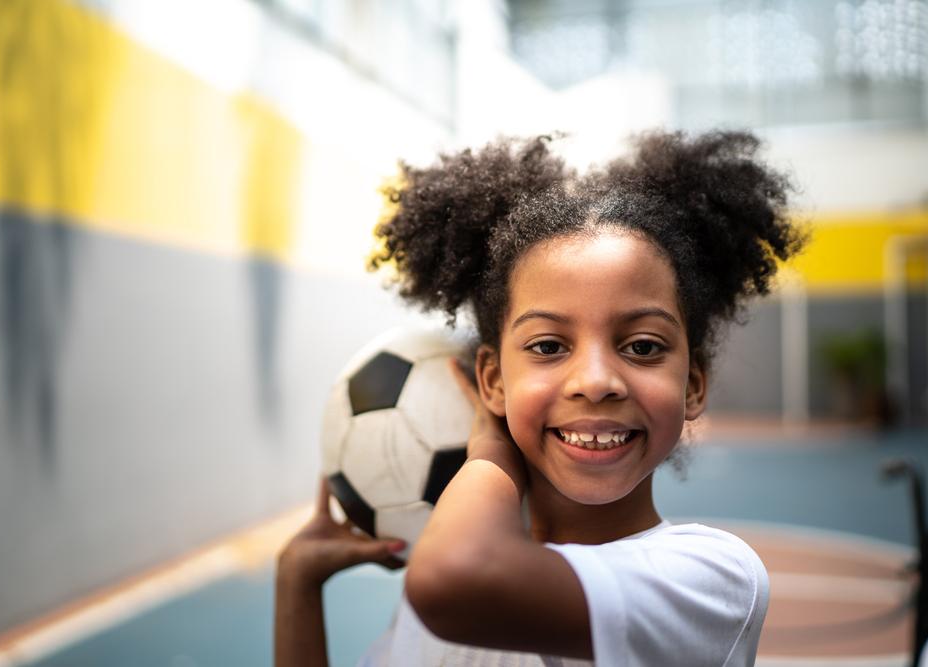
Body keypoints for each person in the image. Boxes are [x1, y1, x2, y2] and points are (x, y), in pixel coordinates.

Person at [275, 130, 807, 666]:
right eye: (549, 346)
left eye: (643, 346)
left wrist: (490, 452)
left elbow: (456, 579)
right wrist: (296, 587)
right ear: (494, 382)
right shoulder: (456, 559)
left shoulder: (712, 579)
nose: (596, 380)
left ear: (692, 384)